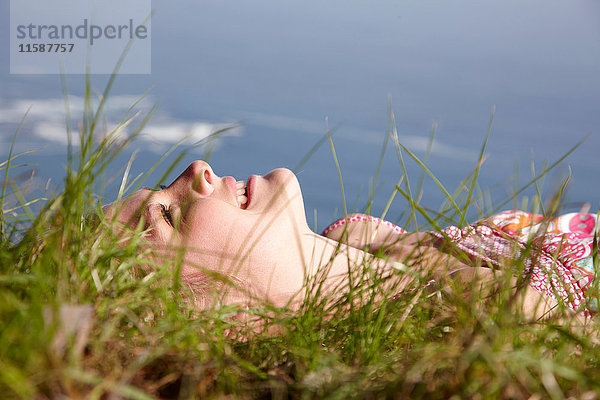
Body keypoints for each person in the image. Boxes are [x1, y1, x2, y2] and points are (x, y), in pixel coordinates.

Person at [102, 160, 598, 321]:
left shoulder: (358, 235)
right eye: (167, 214)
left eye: (168, 180)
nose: (197, 169)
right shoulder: (483, 306)